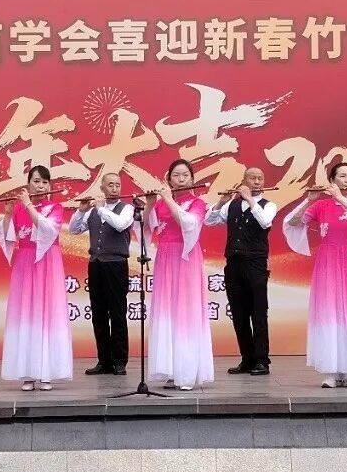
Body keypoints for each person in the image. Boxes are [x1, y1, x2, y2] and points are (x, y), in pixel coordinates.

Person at [283, 163, 347, 388]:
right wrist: (308, 200)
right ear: (332, 180)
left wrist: (340, 198)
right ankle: (331, 370)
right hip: (327, 262)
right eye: (342, 175)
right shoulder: (321, 206)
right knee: (329, 312)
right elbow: (293, 222)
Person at [0, 165, 73, 391]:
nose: (40, 186)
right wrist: (8, 214)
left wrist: (28, 205)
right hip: (25, 261)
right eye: (36, 181)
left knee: (47, 312)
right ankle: (28, 373)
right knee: (26, 313)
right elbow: (6, 237)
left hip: (48, 261)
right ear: (28, 184)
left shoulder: (55, 207)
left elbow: (48, 229)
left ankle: (46, 373)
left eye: (44, 182)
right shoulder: (19, 208)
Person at [144, 159, 213, 391]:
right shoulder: (161, 203)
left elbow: (188, 224)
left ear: (192, 179)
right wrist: (149, 204)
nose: (181, 179)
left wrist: (168, 200)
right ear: (168, 179)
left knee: (186, 311)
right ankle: (172, 371)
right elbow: (147, 228)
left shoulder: (197, 203)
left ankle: (187, 372)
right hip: (165, 258)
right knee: (168, 312)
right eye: (176, 175)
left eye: (185, 175)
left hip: (186, 258)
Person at [204, 167, 277, 376]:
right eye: (253, 178)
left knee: (258, 313)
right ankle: (247, 358)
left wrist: (250, 200)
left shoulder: (268, 205)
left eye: (260, 178)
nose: (257, 182)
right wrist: (221, 202)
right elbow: (209, 221)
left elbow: (265, 222)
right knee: (239, 314)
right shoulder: (232, 205)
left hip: (255, 264)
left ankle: (262, 360)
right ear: (243, 180)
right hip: (233, 264)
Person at [69, 172, 133, 376]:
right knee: (98, 314)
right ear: (102, 188)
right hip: (96, 264)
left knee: (117, 313)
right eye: (110, 185)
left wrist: (100, 208)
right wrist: (81, 211)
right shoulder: (93, 211)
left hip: (116, 265)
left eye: (117, 185)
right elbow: (74, 230)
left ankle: (119, 361)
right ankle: (104, 360)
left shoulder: (127, 209)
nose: (114, 189)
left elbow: (120, 224)